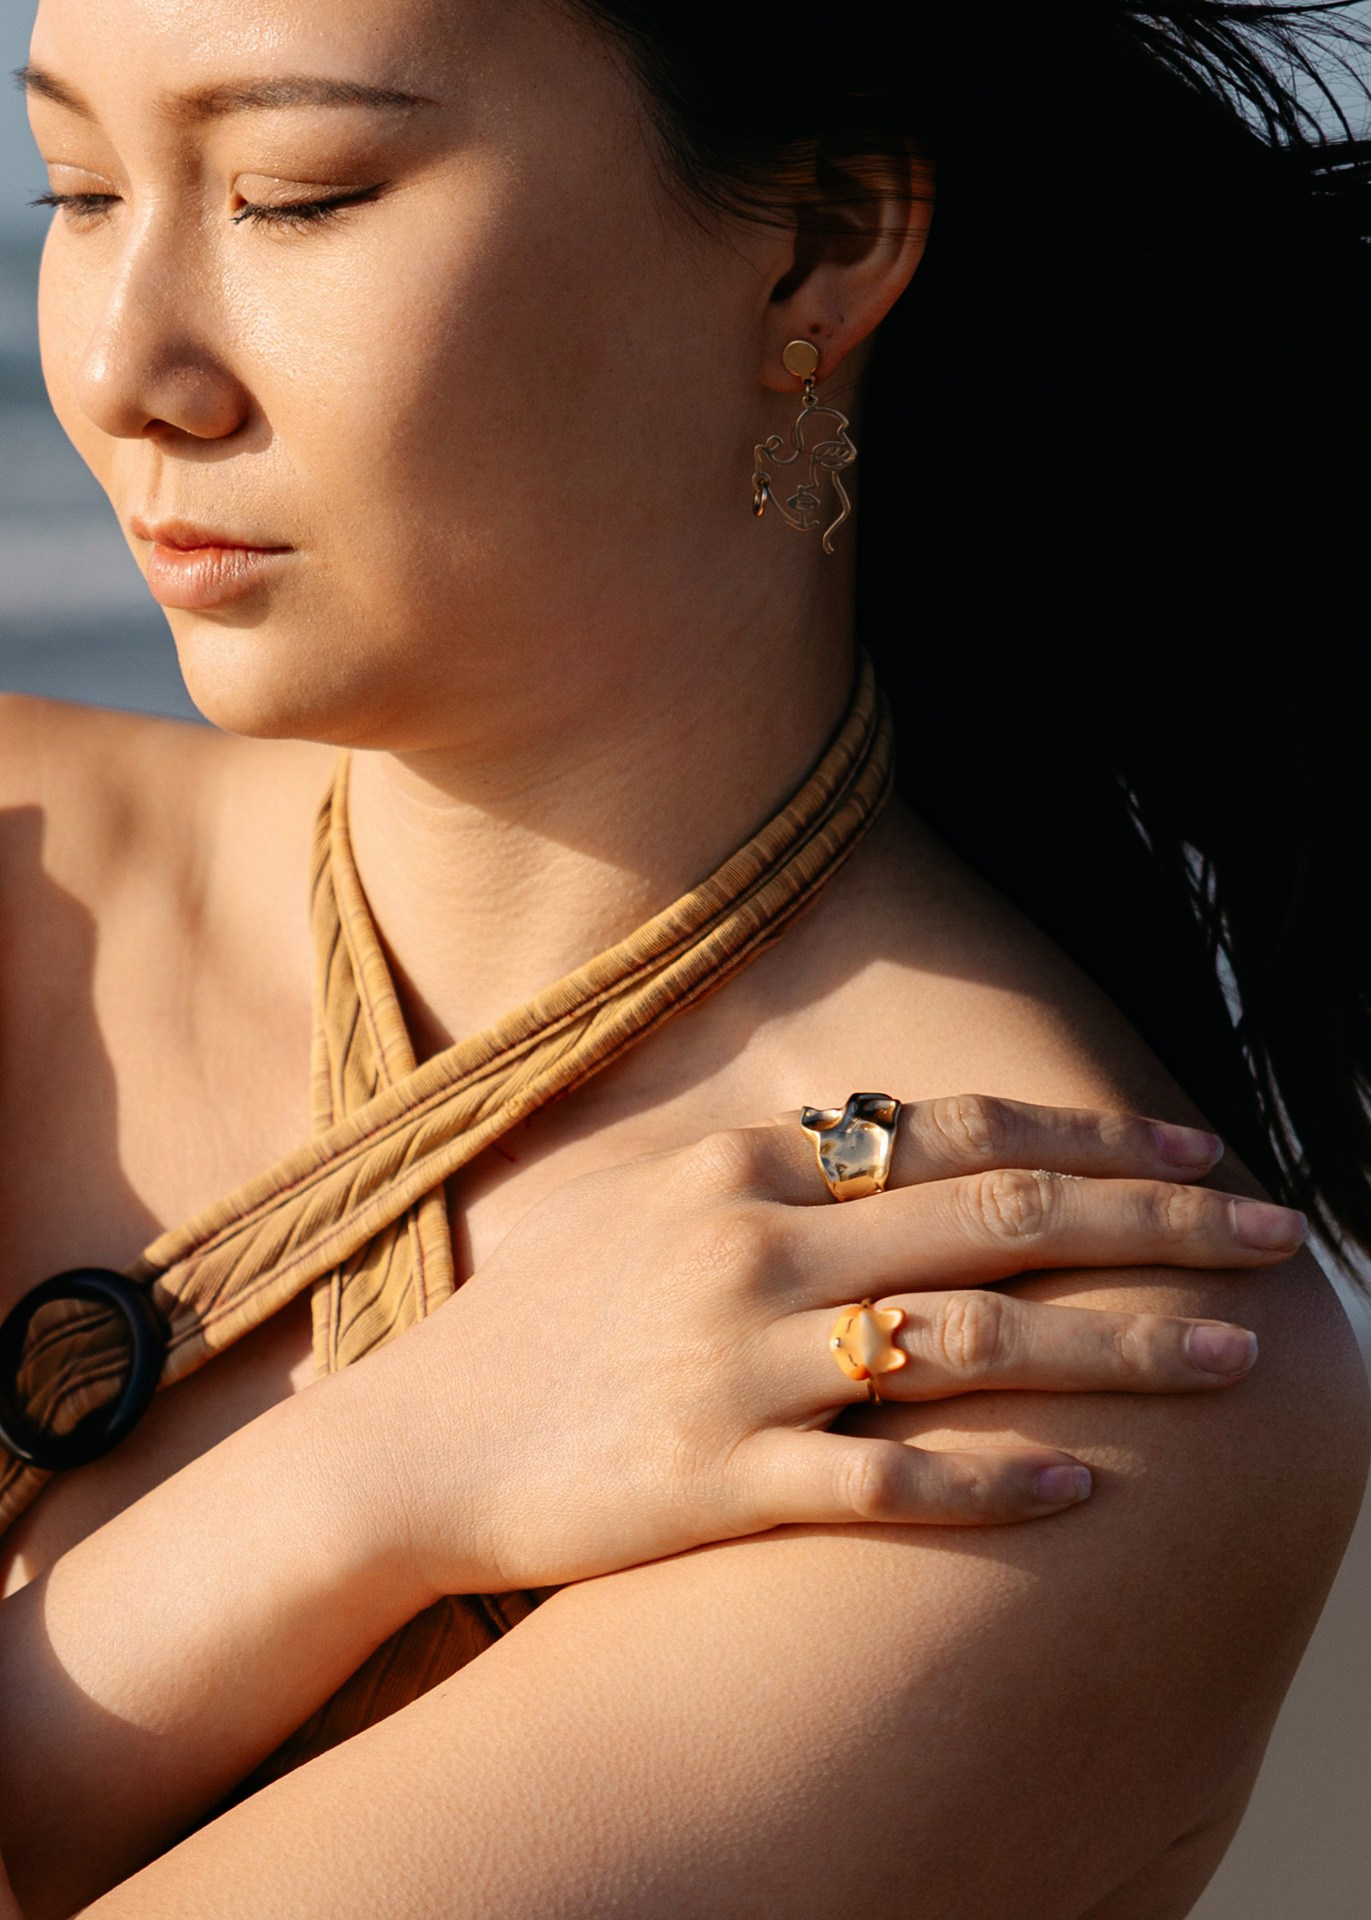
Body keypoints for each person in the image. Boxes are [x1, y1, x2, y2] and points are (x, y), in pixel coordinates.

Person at [0, 1, 1367, 1915]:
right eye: (77, 187)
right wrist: (365, 1481)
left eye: (291, 197)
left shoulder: (1038, 1338)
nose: (125, 365)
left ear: (819, 240)